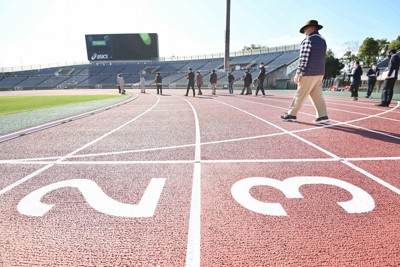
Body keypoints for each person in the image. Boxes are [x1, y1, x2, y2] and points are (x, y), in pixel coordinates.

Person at [281, 20, 329, 123]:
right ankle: (322, 116)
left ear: (311, 28)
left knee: (300, 94)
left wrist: (298, 73)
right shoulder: (322, 40)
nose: (304, 32)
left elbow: (303, 58)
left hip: (308, 73)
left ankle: (291, 114)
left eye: (305, 29)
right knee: (317, 96)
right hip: (320, 72)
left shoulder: (308, 40)